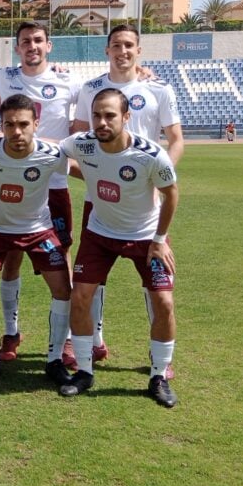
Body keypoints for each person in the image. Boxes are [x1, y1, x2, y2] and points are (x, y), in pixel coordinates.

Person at [71, 24, 183, 368]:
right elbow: (77, 144)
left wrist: (155, 177)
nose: (123, 51)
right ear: (107, 50)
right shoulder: (90, 89)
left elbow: (176, 139)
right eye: (116, 45)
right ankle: (95, 341)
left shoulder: (158, 89)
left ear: (139, 50)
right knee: (92, 279)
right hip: (101, 199)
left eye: (129, 45)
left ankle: (159, 361)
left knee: (158, 286)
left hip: (144, 204)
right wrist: (97, 175)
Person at [59, 88, 179, 407]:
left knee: (164, 302)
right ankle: (84, 371)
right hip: (100, 233)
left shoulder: (150, 154)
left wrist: (158, 240)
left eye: (110, 115)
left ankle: (158, 375)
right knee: (81, 296)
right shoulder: (81, 143)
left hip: (145, 237)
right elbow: (54, 154)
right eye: (97, 115)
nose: (101, 121)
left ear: (126, 117)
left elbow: (172, 194)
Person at [0, 21, 82, 363]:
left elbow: (101, 97)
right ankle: (11, 332)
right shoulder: (1, 79)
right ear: (17, 47)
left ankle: (67, 339)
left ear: (49, 46)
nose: (32, 46)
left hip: (53, 185)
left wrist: (142, 75)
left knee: (61, 257)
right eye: (26, 42)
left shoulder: (69, 80)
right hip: (14, 180)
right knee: (10, 259)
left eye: (38, 40)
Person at [0, 94, 72, 387]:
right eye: (9, 124)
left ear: (36, 124)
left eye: (23, 124)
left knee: (63, 290)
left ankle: (53, 361)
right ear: (0, 125)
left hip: (38, 230)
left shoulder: (52, 153)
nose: (16, 131)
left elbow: (84, 171)